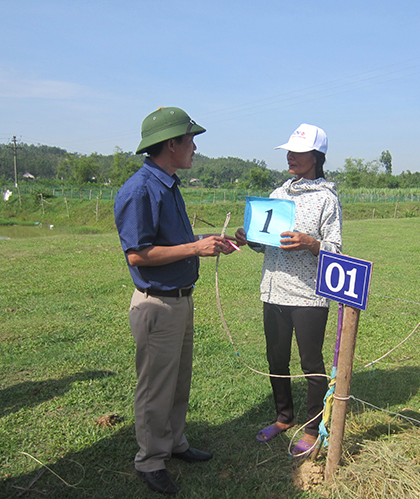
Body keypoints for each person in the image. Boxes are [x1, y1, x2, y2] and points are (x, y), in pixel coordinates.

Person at [114, 107, 234, 495]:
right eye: (190, 139)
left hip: (180, 301)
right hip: (157, 304)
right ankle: (150, 460)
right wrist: (195, 248)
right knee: (155, 387)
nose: (194, 147)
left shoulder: (168, 183)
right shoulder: (141, 190)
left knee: (178, 381)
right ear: (171, 144)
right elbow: (137, 254)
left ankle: (174, 443)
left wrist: (208, 244)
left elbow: (177, 245)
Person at [234, 123, 343, 456]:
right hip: (273, 290)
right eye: (289, 152)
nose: (291, 158)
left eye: (298, 152)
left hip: (310, 294)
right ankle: (283, 417)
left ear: (316, 156)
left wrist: (312, 243)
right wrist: (250, 238)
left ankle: (312, 427)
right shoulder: (277, 195)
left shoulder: (327, 199)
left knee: (311, 362)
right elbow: (266, 243)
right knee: (276, 359)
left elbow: (336, 251)